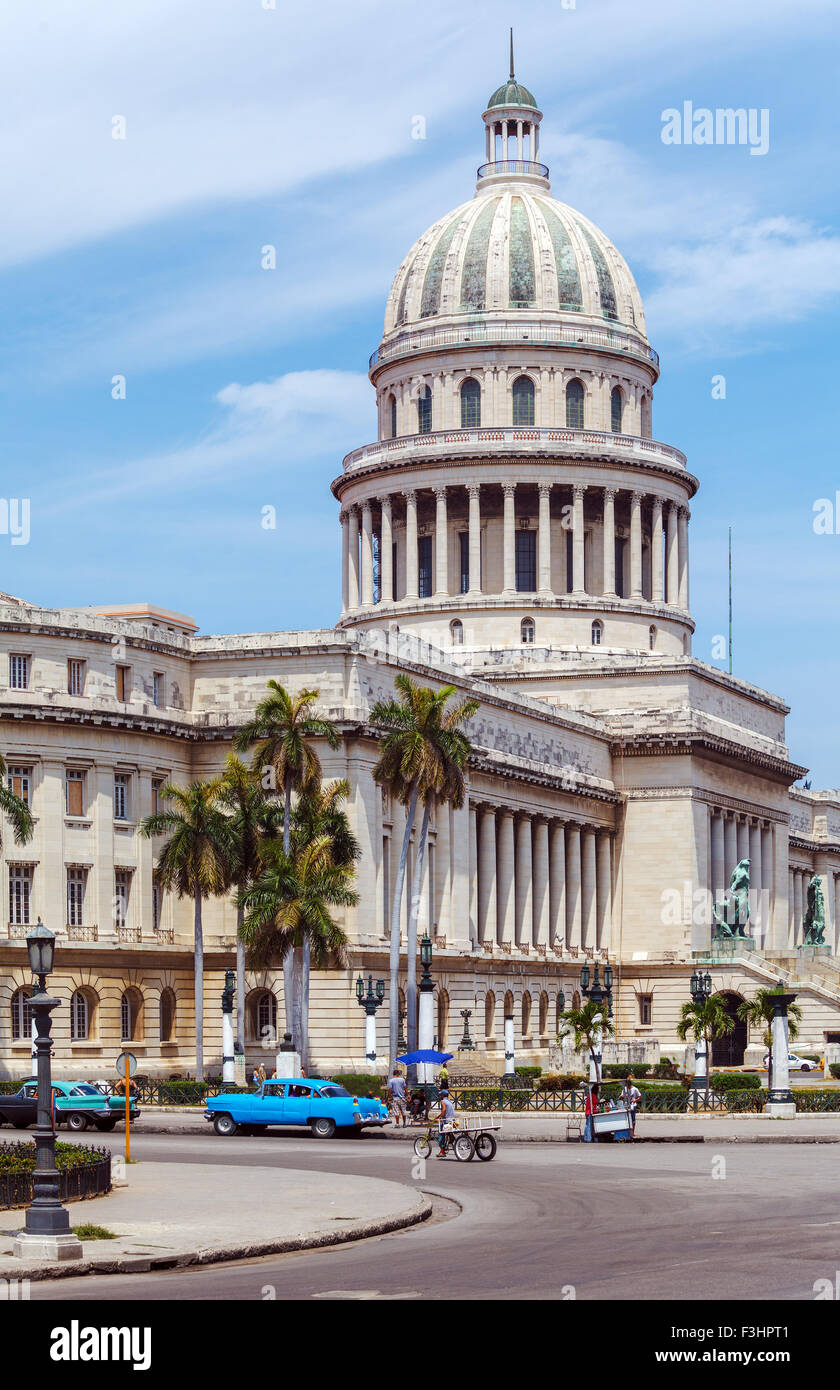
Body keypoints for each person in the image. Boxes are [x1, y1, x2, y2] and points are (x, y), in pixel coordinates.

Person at [436, 1091, 456, 1157]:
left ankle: (442, 1152)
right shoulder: (450, 1101)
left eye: (441, 1095)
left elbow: (444, 1110)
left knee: (440, 1135)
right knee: (447, 1131)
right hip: (452, 1120)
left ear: (442, 1095)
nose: (440, 1096)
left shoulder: (443, 1101)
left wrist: (438, 1117)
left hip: (446, 1121)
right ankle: (451, 1137)